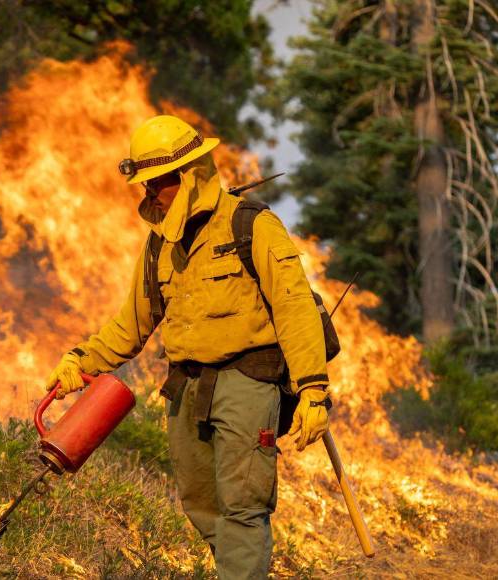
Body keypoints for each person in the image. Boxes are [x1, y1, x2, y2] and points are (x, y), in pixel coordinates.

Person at [46, 115, 331, 579]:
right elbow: (132, 324)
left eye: (158, 182)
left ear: (190, 174)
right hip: (186, 389)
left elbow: (294, 308)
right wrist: (81, 361)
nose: (149, 193)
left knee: (243, 507)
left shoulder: (251, 225)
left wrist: (313, 391)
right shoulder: (159, 245)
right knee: (201, 505)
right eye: (145, 184)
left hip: (247, 382)